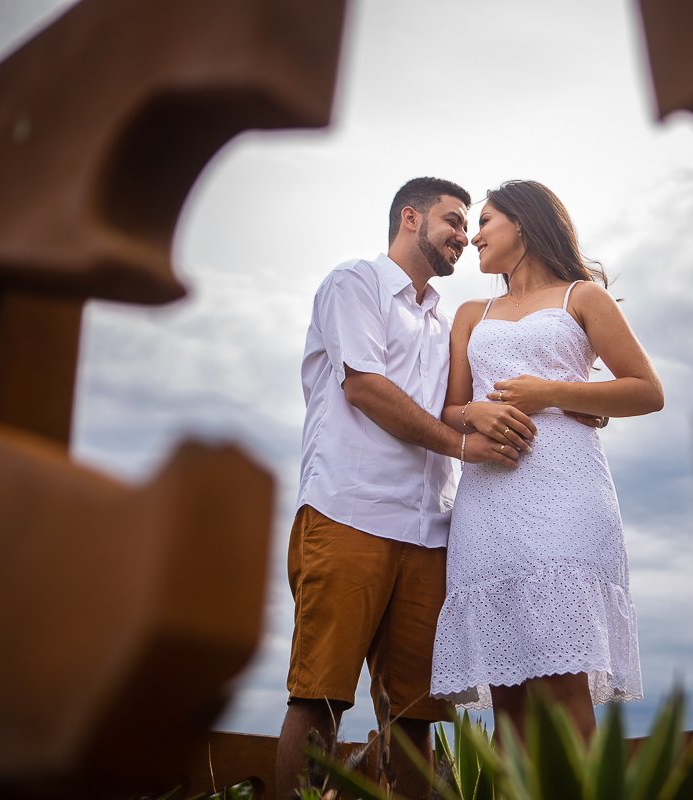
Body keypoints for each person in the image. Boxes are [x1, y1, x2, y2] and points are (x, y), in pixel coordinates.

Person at [275, 177, 524, 800]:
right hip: (348, 513)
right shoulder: (353, 283)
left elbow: (452, 407)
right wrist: (463, 445)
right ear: (410, 218)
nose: (464, 237)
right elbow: (364, 387)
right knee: (320, 696)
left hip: (429, 532)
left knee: (416, 712)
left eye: (469, 226)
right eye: (453, 221)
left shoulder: (447, 322)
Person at [429, 180, 664, 742]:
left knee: (563, 686)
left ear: (524, 225)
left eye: (486, 221)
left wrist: (554, 392)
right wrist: (477, 414)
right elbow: (448, 409)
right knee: (506, 693)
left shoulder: (582, 297)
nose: (474, 236)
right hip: (487, 505)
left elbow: (646, 390)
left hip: (569, 498)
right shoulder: (468, 313)